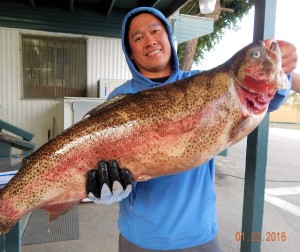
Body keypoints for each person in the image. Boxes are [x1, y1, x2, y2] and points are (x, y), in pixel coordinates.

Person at [86, 7, 298, 252]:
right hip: (140, 238)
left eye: (156, 31)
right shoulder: (120, 97)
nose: (149, 40)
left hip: (199, 236)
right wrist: (105, 185)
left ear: (169, 38)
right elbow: (95, 163)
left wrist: (285, 68)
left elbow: (273, 94)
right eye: (138, 37)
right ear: (131, 53)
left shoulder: (205, 80)